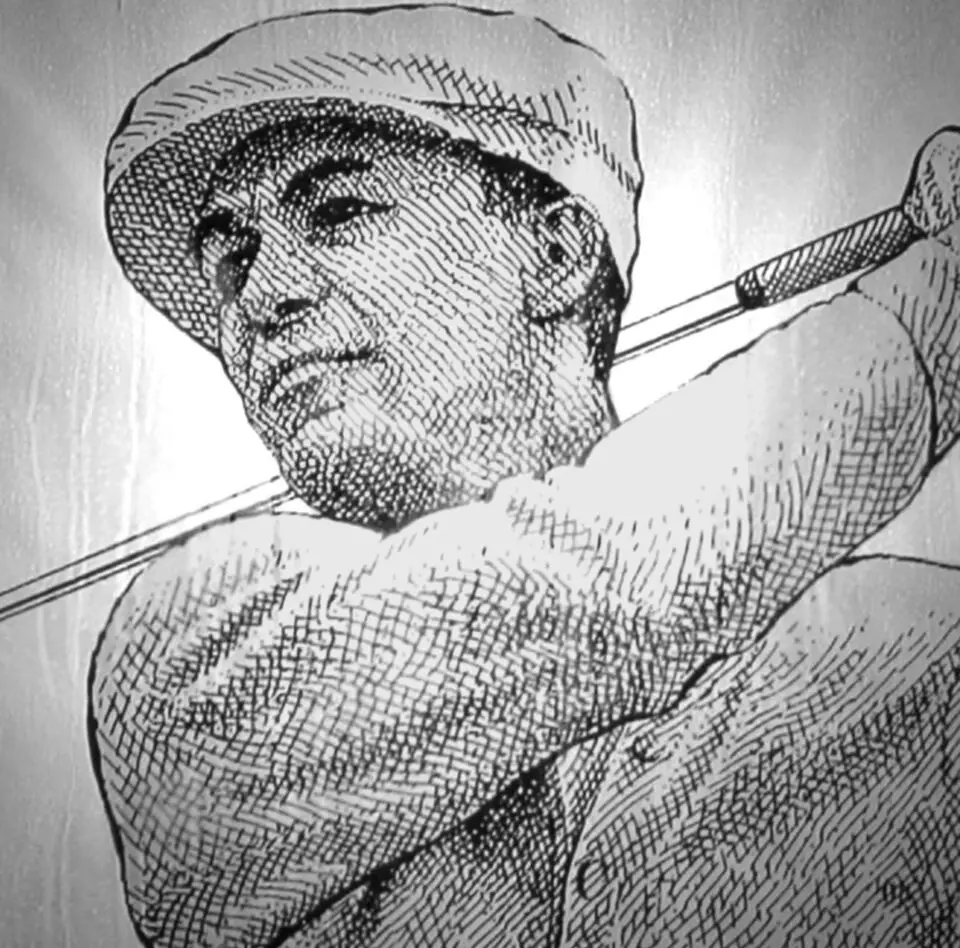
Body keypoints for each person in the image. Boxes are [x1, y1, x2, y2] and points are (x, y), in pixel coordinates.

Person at [88, 6, 960, 947]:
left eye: (338, 213)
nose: (259, 297)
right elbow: (603, 580)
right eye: (231, 259)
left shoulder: (919, 656)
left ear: (556, 255)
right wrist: (938, 302)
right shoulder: (186, 651)